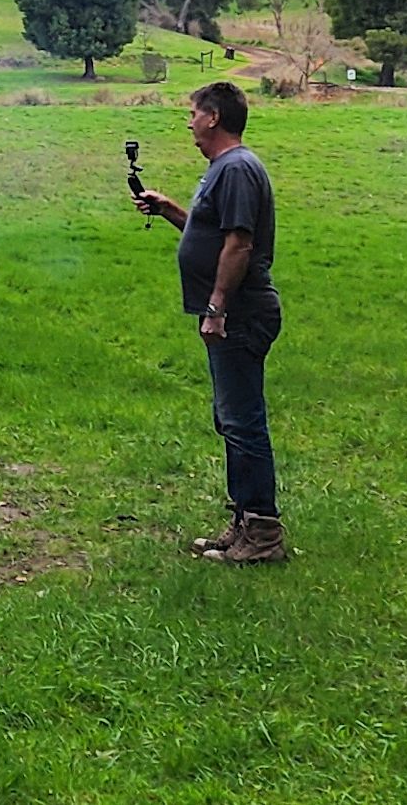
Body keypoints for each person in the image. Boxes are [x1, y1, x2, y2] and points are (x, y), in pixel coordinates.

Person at [134, 79, 284, 563]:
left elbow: (239, 244)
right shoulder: (224, 169)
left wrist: (217, 307)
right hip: (231, 314)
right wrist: (171, 211)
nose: (189, 122)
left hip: (240, 314)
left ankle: (262, 534)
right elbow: (216, 234)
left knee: (243, 422)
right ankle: (244, 523)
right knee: (232, 420)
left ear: (214, 117)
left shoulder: (237, 168)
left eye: (194, 113)